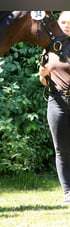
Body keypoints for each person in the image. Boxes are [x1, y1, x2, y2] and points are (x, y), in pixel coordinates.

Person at [39, 11, 70, 204]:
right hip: (56, 102)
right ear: (57, 24)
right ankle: (68, 193)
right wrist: (43, 74)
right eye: (63, 22)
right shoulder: (50, 48)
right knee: (61, 150)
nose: (66, 25)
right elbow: (43, 80)